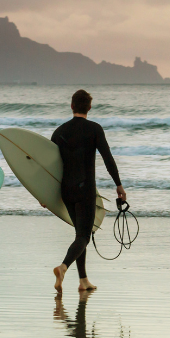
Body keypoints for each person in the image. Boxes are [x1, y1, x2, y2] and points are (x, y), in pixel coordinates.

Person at [51, 89, 125, 293]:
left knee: (79, 234)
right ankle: (63, 267)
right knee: (84, 236)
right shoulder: (94, 129)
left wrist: (45, 194)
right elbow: (107, 158)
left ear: (72, 105)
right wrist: (118, 184)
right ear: (89, 107)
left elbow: (48, 166)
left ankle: (83, 280)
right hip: (85, 190)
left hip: (66, 190)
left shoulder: (59, 131)